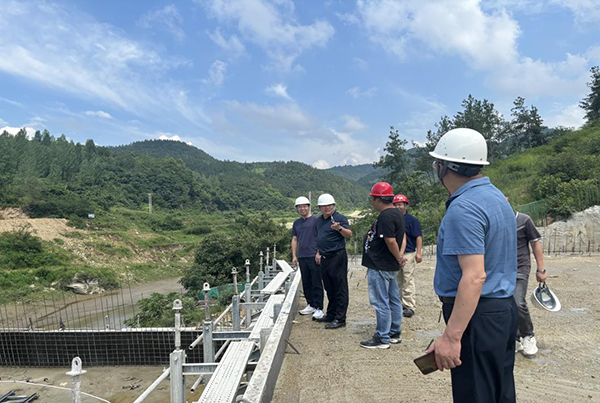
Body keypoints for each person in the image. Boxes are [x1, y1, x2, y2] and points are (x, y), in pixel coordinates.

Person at [426, 128, 518, 403]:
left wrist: (452, 337)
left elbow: (475, 276)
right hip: (501, 310)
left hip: (477, 315)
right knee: (499, 391)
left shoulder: (463, 208)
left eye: (437, 163)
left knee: (476, 394)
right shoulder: (496, 198)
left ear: (445, 167)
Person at [360, 182, 405, 349]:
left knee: (381, 302)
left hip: (380, 265)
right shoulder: (397, 213)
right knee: (393, 300)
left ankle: (382, 337)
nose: (372, 202)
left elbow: (391, 240)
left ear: (378, 199)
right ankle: (394, 332)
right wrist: (398, 258)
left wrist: (399, 257)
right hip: (388, 265)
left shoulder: (386, 216)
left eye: (372, 198)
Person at [314, 193, 353, 329]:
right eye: (324, 206)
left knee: (340, 287)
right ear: (319, 208)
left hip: (337, 256)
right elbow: (320, 237)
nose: (327, 208)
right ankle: (331, 314)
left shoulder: (339, 218)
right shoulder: (319, 220)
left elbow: (349, 234)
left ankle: (340, 318)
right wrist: (318, 252)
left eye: (330, 205)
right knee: (329, 287)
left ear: (334, 205)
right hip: (324, 257)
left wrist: (339, 228)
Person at [513, 209, 547, 358]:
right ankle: (515, 338)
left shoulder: (524, 220)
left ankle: (528, 335)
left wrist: (541, 269)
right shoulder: (497, 221)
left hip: (521, 267)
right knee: (506, 304)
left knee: (517, 301)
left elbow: (535, 244)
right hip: (502, 270)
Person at [291, 196, 325, 320]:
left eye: (304, 206)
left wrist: (319, 252)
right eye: (299, 207)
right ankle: (311, 304)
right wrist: (294, 255)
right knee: (306, 282)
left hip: (314, 255)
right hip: (302, 255)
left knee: (316, 281)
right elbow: (294, 239)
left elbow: (321, 237)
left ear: (309, 207)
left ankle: (319, 307)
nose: (302, 209)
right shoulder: (297, 223)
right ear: (297, 209)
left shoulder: (317, 220)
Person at [393, 194, 423, 318]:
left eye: (400, 204)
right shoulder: (392, 219)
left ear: (406, 205)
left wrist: (419, 252)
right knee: (397, 280)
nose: (397, 207)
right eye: (395, 205)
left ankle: (409, 306)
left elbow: (418, 236)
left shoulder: (412, 220)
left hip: (409, 253)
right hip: (395, 254)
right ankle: (399, 304)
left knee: (408, 279)